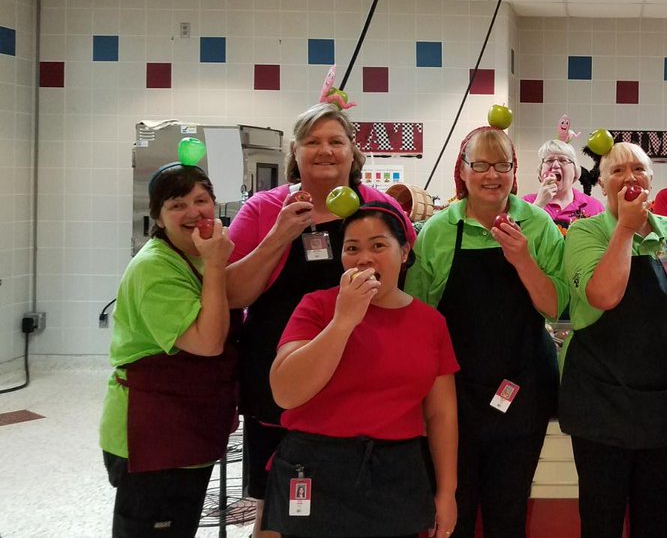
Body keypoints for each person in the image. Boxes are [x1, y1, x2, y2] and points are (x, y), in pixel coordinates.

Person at [226, 102, 414, 535]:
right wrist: (278, 236)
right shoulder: (263, 209)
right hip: (279, 379)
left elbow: (406, 284)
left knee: (350, 504)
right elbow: (234, 294)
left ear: (353, 151)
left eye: (335, 141)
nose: (325, 150)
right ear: (295, 151)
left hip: (360, 380)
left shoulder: (380, 207)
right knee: (276, 507)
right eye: (312, 142)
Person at [407, 127, 567, 538]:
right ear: (462, 170)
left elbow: (555, 306)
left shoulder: (538, 225)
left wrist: (522, 259)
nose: (492, 175)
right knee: (452, 512)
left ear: (515, 171)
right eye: (480, 165)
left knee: (508, 511)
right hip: (453, 395)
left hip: (523, 389)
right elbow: (418, 320)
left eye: (502, 165)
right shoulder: (439, 231)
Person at [264, 202, 458, 538]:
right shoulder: (318, 306)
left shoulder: (431, 323)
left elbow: (441, 414)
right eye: (352, 249)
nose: (364, 258)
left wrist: (447, 492)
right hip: (316, 466)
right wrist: (343, 322)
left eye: (378, 246)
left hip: (396, 471)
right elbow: (285, 392)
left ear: (404, 252)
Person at [560, 142, 667, 538]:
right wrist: (625, 228)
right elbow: (603, 295)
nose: (629, 177)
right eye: (617, 170)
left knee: (658, 522)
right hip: (601, 405)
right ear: (601, 182)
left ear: (651, 178)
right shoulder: (585, 232)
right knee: (601, 522)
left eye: (638, 169)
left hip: (665, 405)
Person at [99, 163, 238, 537]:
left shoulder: (196, 253)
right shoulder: (154, 268)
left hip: (187, 424)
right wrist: (216, 265)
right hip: (152, 432)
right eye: (177, 205)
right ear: (158, 217)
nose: (194, 212)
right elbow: (208, 343)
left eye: (201, 200)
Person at [523, 138, 605, 231]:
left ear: (575, 171)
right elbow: (519, 235)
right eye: (549, 160)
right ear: (541, 172)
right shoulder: (526, 203)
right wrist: (539, 204)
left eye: (563, 160)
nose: (555, 165)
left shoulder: (594, 207)